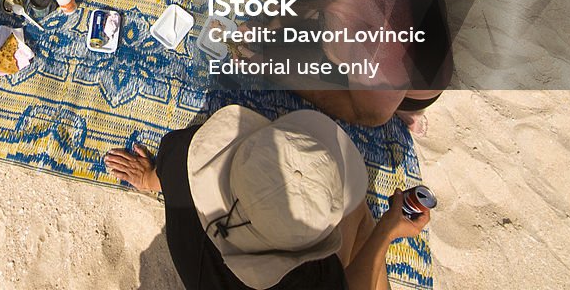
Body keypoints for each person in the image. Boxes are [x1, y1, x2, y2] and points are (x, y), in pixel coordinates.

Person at [106, 106, 431, 290]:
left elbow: (167, 172)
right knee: (357, 212)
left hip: (197, 265)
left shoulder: (179, 156)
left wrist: (151, 177)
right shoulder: (312, 281)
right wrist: (387, 231)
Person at [230, 0, 451, 131]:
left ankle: (408, 112)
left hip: (413, 88)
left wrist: (275, 71)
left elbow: (368, 116)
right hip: (417, 27)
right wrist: (269, 28)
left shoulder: (375, 47)